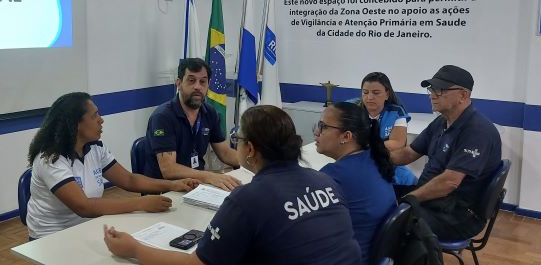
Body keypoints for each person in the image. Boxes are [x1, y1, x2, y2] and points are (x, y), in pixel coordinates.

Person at [104, 105, 362, 265]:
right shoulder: (325, 180)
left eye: (238, 138)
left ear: (250, 149)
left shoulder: (247, 200)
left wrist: (134, 249)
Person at [26, 92, 200, 239]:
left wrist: (173, 184)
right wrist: (141, 203)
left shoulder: (95, 148)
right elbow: (84, 207)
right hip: (52, 237)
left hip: (88, 226)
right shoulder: (50, 158)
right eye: (94, 116)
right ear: (75, 124)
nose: (101, 120)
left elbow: (129, 180)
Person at [391, 65, 502, 241]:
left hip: (458, 215)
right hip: (435, 201)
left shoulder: (477, 131)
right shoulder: (441, 122)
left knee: (388, 220)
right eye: (431, 89)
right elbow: (408, 154)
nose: (432, 94)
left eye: (440, 90)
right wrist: (371, 156)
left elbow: (449, 182)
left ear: (463, 95)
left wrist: (407, 200)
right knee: (377, 198)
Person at [315, 102, 397, 264]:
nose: (317, 132)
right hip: (377, 255)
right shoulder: (374, 159)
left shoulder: (333, 175)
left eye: (323, 126)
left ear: (346, 136)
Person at [143, 58, 241, 190]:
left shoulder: (209, 112)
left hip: (197, 185)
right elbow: (169, 170)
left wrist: (255, 164)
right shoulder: (163, 117)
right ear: (179, 83)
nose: (197, 86)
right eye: (191, 80)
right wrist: (209, 176)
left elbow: (225, 153)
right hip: (166, 190)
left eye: (203, 81)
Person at [356, 72, 417, 185]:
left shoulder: (396, 112)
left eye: (376, 93)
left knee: (411, 182)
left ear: (387, 94)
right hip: (358, 161)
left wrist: (366, 147)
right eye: (365, 92)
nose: (369, 97)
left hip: (386, 161)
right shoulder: (352, 109)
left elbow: (397, 143)